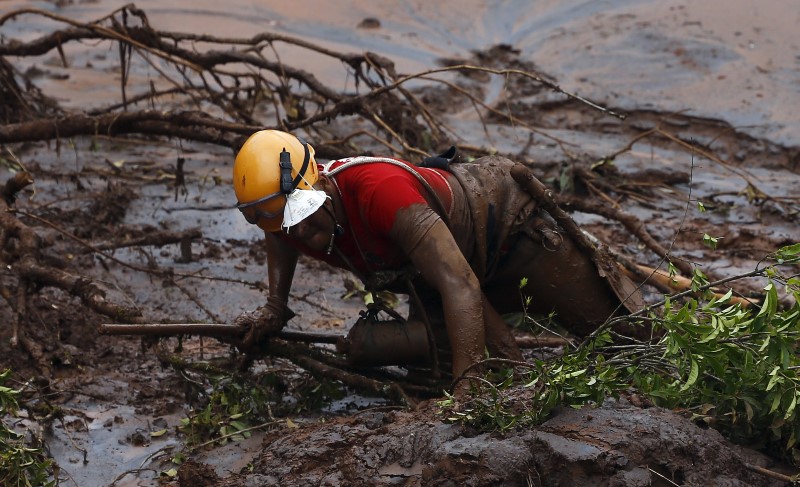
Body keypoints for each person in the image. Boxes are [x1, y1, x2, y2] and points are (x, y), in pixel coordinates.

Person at [232, 129, 642, 382]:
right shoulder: (288, 221)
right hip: (431, 278)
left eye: (302, 213)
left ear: (317, 179)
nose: (299, 230)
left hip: (509, 237)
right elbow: (281, 238)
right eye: (284, 222)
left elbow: (461, 284)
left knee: (631, 342)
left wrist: (468, 391)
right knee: (436, 377)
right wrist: (275, 307)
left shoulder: (379, 191)